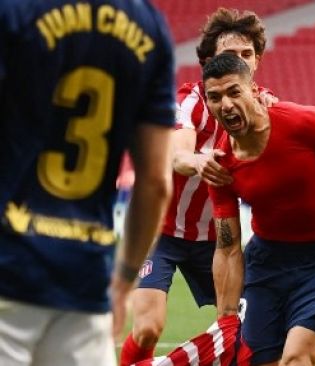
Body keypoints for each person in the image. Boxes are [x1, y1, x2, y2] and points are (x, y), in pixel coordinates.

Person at [0, 1, 175, 365]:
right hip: (85, 280)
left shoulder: (15, 11)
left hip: (9, 267)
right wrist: (124, 281)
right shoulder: (149, 27)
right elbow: (156, 181)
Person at [204, 53, 315, 366]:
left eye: (235, 92)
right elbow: (228, 248)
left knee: (297, 358)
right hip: (266, 264)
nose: (226, 104)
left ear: (255, 92)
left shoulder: (303, 122)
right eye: (215, 97)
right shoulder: (220, 165)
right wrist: (226, 318)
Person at [120, 8, 277, 365]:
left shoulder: (269, 108)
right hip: (158, 230)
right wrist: (198, 162)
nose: (239, 61)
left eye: (247, 54)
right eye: (229, 54)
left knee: (247, 326)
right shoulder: (192, 100)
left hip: (216, 240)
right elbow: (178, 157)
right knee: (147, 328)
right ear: (208, 61)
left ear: (257, 60)